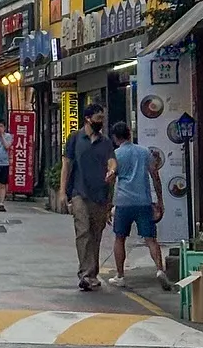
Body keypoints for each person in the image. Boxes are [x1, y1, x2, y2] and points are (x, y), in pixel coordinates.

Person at [105, 121, 171, 290]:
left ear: (115, 138)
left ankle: (120, 276)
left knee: (120, 238)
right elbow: (155, 176)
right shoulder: (144, 152)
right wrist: (160, 201)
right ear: (129, 133)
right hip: (143, 202)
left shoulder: (115, 155)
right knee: (151, 239)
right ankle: (159, 270)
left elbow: (110, 182)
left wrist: (108, 204)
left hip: (123, 202)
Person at [59, 100, 113, 290]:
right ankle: (86, 274)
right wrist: (62, 191)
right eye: (98, 118)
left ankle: (92, 272)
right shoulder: (75, 138)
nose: (101, 122)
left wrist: (112, 171)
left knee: (95, 234)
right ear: (88, 119)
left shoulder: (106, 142)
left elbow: (112, 161)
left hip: (100, 194)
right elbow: (66, 165)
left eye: (103, 118)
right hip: (79, 192)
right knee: (83, 232)